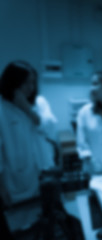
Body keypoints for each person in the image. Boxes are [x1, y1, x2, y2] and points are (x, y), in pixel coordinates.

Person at [0, 60, 57, 206]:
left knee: (47, 216)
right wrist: (1, 187)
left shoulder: (39, 102)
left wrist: (27, 109)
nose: (30, 87)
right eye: (25, 83)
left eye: (33, 82)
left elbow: (50, 130)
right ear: (13, 82)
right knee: (23, 221)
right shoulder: (2, 109)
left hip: (44, 170)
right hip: (17, 178)